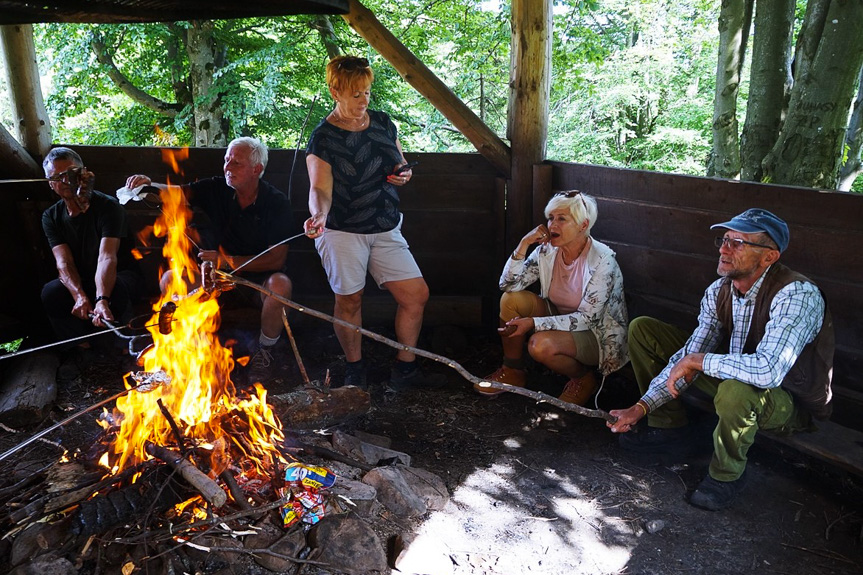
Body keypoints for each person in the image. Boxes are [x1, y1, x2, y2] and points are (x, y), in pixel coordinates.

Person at [607, 208, 834, 511]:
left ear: (769, 257)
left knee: (735, 389)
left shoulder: (797, 295)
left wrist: (697, 362)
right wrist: (641, 406)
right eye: (724, 239)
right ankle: (670, 429)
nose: (725, 249)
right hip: (733, 382)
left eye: (738, 243)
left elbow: (768, 371)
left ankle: (727, 476)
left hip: (789, 402)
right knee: (644, 330)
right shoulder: (720, 289)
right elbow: (688, 355)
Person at [303, 54, 443, 391]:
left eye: (367, 92)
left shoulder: (382, 122)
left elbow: (400, 163)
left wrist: (403, 174)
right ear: (335, 91)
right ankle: (355, 368)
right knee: (350, 300)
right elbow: (319, 187)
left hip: (385, 225)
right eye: (356, 94)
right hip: (342, 230)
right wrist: (319, 214)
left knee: (415, 295)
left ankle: (404, 369)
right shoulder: (323, 137)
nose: (364, 101)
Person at [125, 137, 295, 384]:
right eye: (226, 160)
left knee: (281, 285)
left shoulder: (276, 203)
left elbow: (276, 260)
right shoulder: (217, 188)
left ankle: (265, 352)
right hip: (212, 280)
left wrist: (226, 261)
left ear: (257, 169)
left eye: (236, 163)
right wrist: (149, 186)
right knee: (171, 279)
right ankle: (192, 349)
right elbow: (176, 194)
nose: (228, 167)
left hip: (254, 282)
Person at [476, 191, 629, 405]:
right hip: (559, 318)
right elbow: (508, 285)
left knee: (540, 345)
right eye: (551, 218)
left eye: (562, 219)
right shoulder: (547, 251)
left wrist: (533, 323)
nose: (552, 225)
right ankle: (512, 370)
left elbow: (587, 319)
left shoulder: (603, 261)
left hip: (595, 334)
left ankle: (583, 379)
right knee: (510, 299)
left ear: (583, 225)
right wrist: (523, 244)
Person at [41, 147, 143, 366]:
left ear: (83, 173)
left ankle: (126, 351)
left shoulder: (108, 207)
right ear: (50, 183)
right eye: (57, 178)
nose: (66, 181)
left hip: (120, 274)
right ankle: (82, 347)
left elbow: (107, 257)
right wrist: (79, 295)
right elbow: (63, 262)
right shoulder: (51, 216)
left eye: (71, 173)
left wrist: (101, 299)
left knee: (116, 288)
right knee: (51, 292)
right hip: (84, 278)